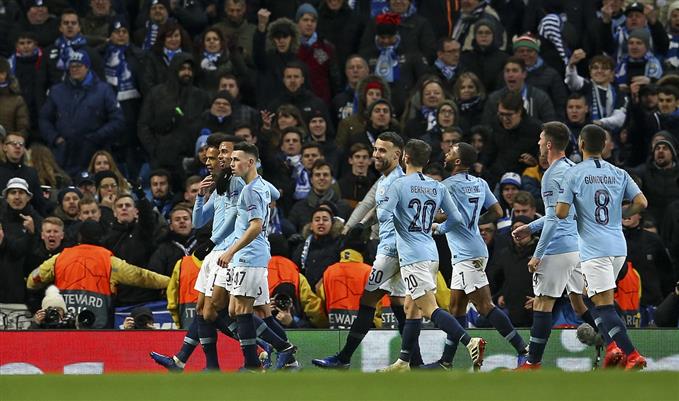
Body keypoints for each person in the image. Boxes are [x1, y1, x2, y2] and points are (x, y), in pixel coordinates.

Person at [377, 139, 485, 372]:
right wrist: (438, 229)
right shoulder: (438, 186)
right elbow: (456, 218)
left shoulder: (398, 185)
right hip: (431, 253)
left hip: (412, 257)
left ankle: (470, 341)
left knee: (428, 308)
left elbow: (384, 216)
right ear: (426, 161)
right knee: (411, 308)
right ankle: (404, 362)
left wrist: (388, 208)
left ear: (405, 157)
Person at [312, 132, 414, 370]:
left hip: (391, 251)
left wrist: (362, 227)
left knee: (368, 301)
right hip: (398, 251)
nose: (375, 154)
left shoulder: (398, 182)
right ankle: (414, 362)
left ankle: (344, 358)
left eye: (382, 150)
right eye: (375, 149)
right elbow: (379, 208)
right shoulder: (386, 180)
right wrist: (361, 225)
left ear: (397, 155)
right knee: (398, 305)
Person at [422, 142, 528, 370]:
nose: (446, 154)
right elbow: (497, 212)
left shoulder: (446, 186)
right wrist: (475, 222)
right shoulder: (480, 183)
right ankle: (446, 361)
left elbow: (444, 216)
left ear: (457, 161)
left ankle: (524, 350)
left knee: (485, 306)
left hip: (467, 254)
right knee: (456, 308)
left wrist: (436, 225)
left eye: (451, 152)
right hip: (473, 249)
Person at [555, 124, 649, 370]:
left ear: (581, 144)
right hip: (618, 246)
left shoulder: (573, 173)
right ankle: (612, 346)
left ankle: (631, 354)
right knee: (593, 297)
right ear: (605, 145)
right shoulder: (619, 173)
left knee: (604, 305)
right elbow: (641, 202)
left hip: (594, 248)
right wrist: (621, 214)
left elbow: (561, 212)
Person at [510, 122, 592, 369]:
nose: (537, 143)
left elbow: (555, 219)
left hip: (557, 247)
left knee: (542, 303)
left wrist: (537, 254)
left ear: (548, 144)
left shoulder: (551, 175)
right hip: (576, 247)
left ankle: (532, 363)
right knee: (578, 303)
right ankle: (613, 345)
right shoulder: (573, 170)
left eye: (540, 139)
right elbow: (563, 213)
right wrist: (530, 227)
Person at [216, 142, 298, 371]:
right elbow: (276, 194)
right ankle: (281, 351)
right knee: (235, 310)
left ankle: (261, 359)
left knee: (242, 312)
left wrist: (230, 251)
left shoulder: (250, 191)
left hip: (248, 256)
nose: (231, 164)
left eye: (236, 160)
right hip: (254, 255)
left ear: (250, 162)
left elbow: (255, 225)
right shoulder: (260, 185)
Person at [27, 220, 170, 329]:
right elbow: (142, 276)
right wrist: (171, 282)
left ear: (79, 236)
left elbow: (32, 281)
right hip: (99, 330)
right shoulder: (110, 262)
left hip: (66, 327)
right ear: (101, 237)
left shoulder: (60, 258)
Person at [39, 50, 125, 176]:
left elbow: (117, 120)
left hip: (93, 154)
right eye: (72, 66)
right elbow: (44, 119)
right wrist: (55, 138)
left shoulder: (104, 90)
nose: (75, 69)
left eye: (79, 66)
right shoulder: (57, 91)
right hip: (64, 154)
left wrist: (97, 137)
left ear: (87, 67)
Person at [137, 52, 210, 190]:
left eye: (189, 69)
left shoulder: (200, 96)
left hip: (190, 160)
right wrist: (155, 149)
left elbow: (205, 125)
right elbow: (143, 125)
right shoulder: (157, 94)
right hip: (162, 160)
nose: (187, 72)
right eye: (183, 68)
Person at [44, 9, 104, 87]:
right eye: (66, 23)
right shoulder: (48, 51)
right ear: (60, 28)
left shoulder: (91, 53)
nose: (70, 26)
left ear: (79, 28)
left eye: (73, 23)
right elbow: (41, 81)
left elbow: (101, 83)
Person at [295, 3, 341, 105]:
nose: (309, 24)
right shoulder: (291, 46)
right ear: (297, 22)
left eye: (313, 21)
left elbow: (334, 78)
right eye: (305, 20)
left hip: (321, 103)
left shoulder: (326, 47)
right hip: (296, 101)